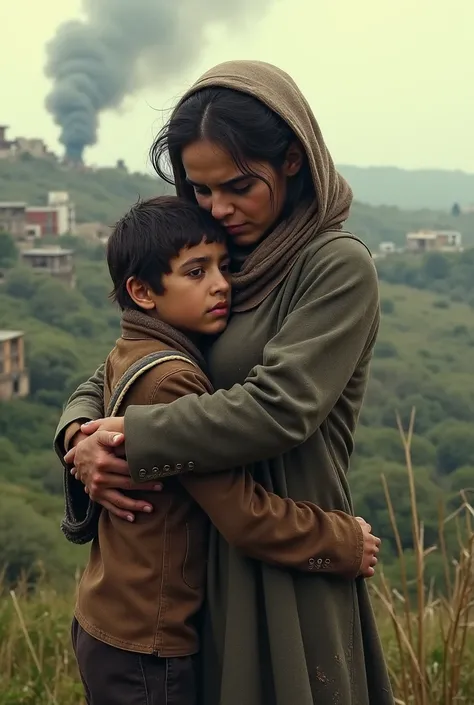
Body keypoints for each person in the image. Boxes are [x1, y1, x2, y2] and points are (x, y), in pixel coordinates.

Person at [55, 60, 394, 705]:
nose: (219, 208)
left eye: (238, 186)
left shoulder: (334, 267)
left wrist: (135, 437)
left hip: (282, 544)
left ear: (293, 160)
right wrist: (81, 437)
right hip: (190, 563)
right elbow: (126, 357)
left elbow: (280, 408)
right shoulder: (219, 254)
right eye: (200, 189)